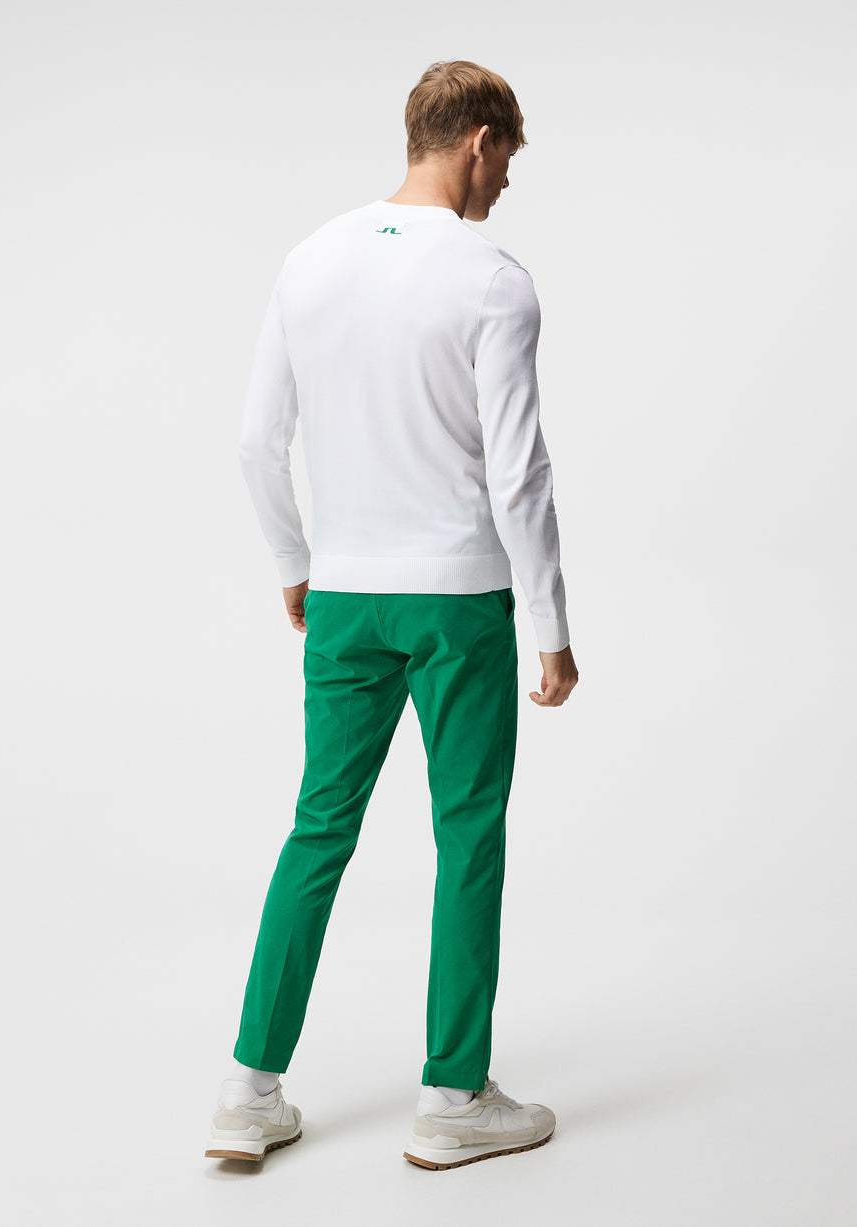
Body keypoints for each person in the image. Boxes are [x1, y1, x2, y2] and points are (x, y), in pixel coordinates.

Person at [204, 59, 579, 1171]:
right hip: (458, 600)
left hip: (345, 597)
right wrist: (552, 627)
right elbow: (519, 471)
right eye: (506, 158)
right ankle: (452, 1097)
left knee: (318, 829)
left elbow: (254, 442)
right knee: (467, 838)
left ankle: (246, 1092)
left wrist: (295, 563)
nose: (506, 180)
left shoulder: (310, 259)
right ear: (477, 140)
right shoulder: (493, 278)